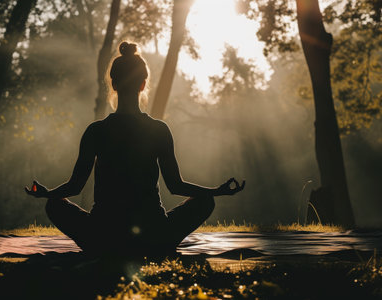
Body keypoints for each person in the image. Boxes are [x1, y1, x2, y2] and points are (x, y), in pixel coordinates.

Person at [25, 41, 245, 257]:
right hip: (154, 232)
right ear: (143, 84)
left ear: (113, 83)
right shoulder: (158, 129)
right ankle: (156, 246)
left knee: (54, 205)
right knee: (205, 200)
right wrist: (217, 191)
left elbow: (74, 187)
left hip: (103, 232)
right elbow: (175, 186)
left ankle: (104, 247)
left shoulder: (96, 131)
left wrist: (47, 194)